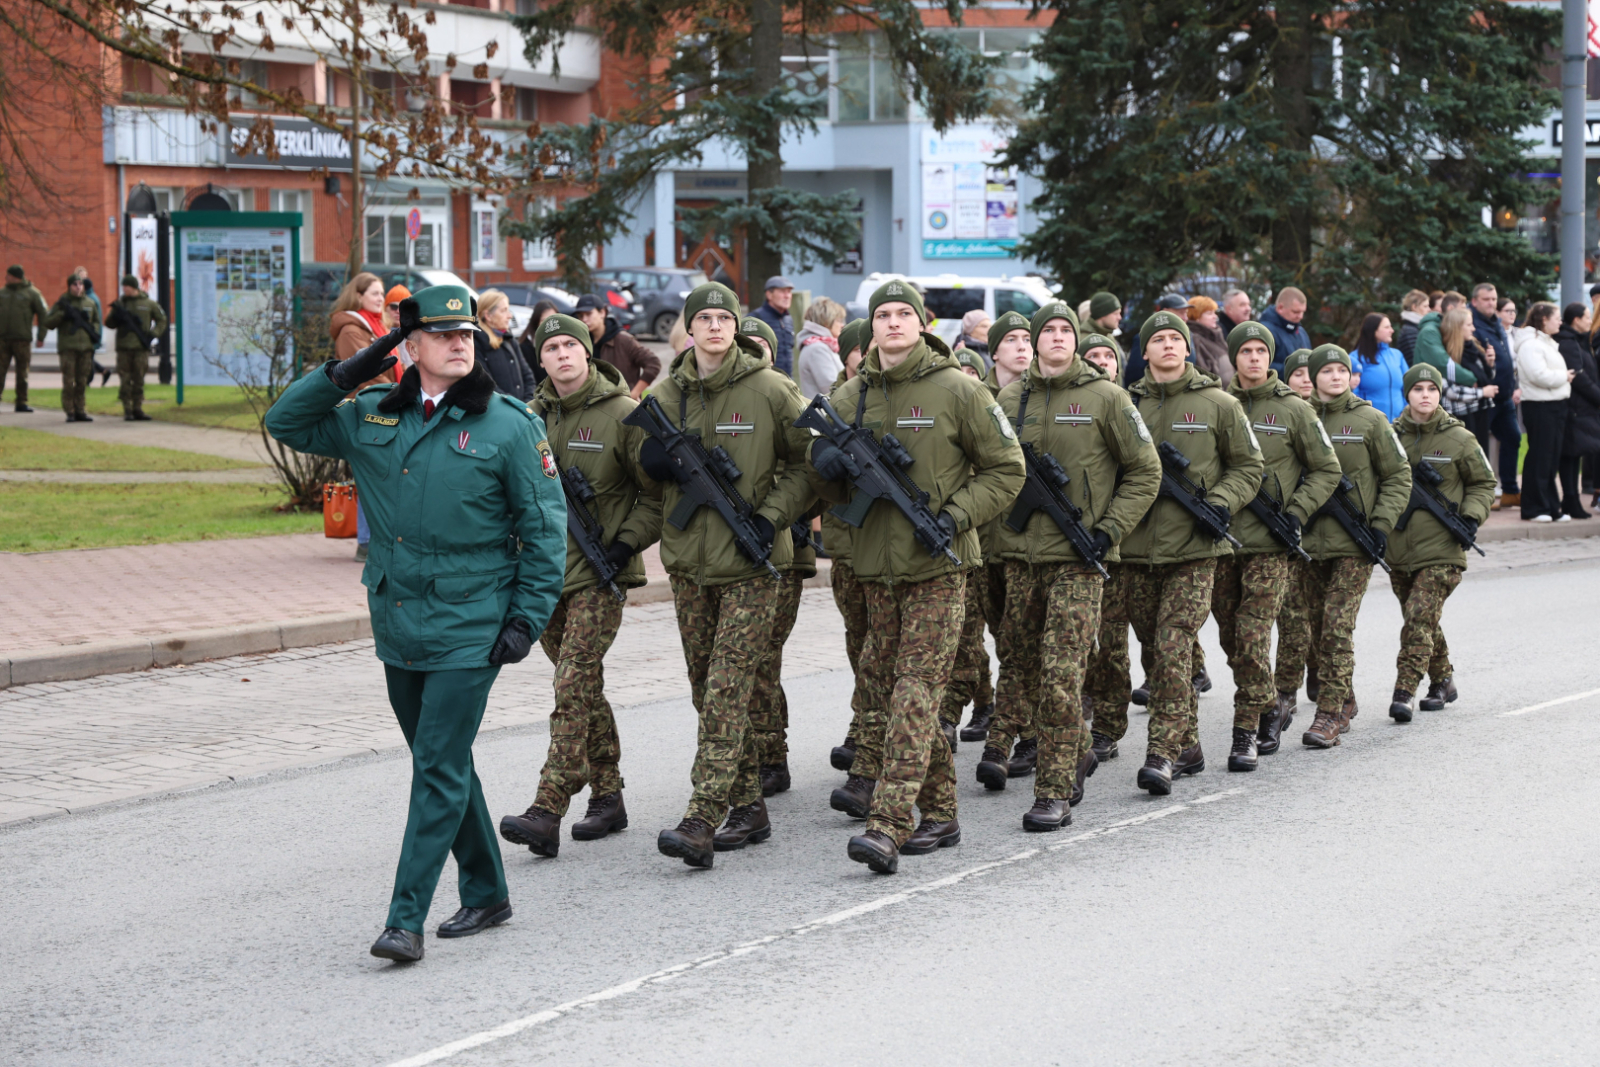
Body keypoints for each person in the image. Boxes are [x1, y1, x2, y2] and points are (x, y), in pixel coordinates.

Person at [264, 284, 566, 963]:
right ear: (410, 345)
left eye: (468, 333)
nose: (462, 343)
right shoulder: (372, 413)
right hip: (400, 620)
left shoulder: (509, 425)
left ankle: (406, 919)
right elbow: (285, 423)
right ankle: (488, 888)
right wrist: (346, 371)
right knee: (445, 759)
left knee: (434, 765)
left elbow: (546, 532)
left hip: (473, 623)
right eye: (443, 334)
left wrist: (527, 618)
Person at [810, 278, 1024, 874]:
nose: (894, 323)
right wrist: (824, 469)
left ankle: (889, 822)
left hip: (938, 566)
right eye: (884, 315)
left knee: (915, 691)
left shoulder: (959, 388)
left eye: (905, 313)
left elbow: (1007, 469)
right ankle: (941, 813)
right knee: (885, 690)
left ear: (923, 322)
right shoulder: (849, 396)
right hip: (876, 570)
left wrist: (954, 517)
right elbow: (825, 483)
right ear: (870, 325)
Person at [644, 282, 816, 869]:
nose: (715, 327)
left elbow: (808, 463)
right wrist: (653, 461)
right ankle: (748, 804)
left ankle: (703, 815)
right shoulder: (666, 394)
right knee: (704, 686)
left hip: (752, 562)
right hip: (690, 563)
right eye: (705, 319)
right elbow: (640, 472)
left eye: (724, 318)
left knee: (727, 686)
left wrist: (772, 518)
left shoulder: (771, 388)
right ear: (688, 329)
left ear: (737, 326)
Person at [990, 300, 1159, 828]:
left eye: (1067, 330)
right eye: (1048, 331)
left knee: (1063, 672)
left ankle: (1053, 789)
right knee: (1028, 668)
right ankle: (1078, 747)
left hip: (1079, 558)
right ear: (1033, 341)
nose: (1058, 338)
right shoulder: (1009, 397)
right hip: (1019, 558)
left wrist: (1109, 529)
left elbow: (1145, 471)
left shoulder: (1107, 398)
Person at [498, 313, 662, 856]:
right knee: (583, 688)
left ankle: (547, 807)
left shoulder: (625, 414)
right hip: (543, 578)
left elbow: (657, 495)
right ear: (539, 359)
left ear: (588, 354)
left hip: (599, 572)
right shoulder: (525, 418)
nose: (563, 354)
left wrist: (624, 546)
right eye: (552, 348)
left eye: (572, 345)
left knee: (571, 683)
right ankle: (609, 796)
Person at [1120, 310, 1263, 794]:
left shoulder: (1218, 403)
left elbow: (1248, 466)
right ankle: (1188, 744)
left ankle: (1160, 752)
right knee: (1157, 654)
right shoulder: (1123, 404)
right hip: (1136, 549)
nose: (1166, 346)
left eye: (1173, 339)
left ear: (1187, 348)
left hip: (1196, 548)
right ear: (1144, 351)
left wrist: (1218, 504)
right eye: (1156, 339)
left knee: (1173, 643)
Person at [1215, 323, 1341, 768]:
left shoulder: (1294, 409)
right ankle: (1268, 701)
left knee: (1252, 632)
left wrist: (1296, 511)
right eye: (1245, 351)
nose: (1253, 358)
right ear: (1234, 357)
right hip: (1222, 539)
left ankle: (1246, 730)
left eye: (1260, 351)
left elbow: (1327, 469)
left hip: (1271, 542)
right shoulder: (1219, 404)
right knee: (1232, 638)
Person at [1299, 344, 1412, 747]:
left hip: (1354, 541)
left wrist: (1381, 524)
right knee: (1313, 630)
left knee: (1335, 625)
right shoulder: (1300, 417)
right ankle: (1344, 696)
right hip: (1307, 542)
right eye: (1326, 370)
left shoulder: (1370, 419)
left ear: (1351, 376)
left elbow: (1399, 475)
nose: (1334, 376)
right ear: (1312, 377)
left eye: (1341, 370)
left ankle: (1329, 715)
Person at [1384, 363, 1495, 723]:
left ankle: (1405, 691)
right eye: (1418, 389)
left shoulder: (1459, 438)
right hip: (1399, 548)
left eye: (1432, 389)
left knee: (1418, 617)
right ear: (1408, 395)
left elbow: (1483, 483)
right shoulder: (1389, 436)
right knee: (1422, 617)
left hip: (1443, 547)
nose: (1426, 395)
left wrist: (1472, 516)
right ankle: (1443, 680)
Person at [951, 311, 1035, 763]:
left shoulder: (1044, 397)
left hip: (1027, 545)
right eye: (1012, 340)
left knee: (1020, 641)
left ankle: (1017, 732)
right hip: (982, 540)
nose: (1022, 347)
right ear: (994, 350)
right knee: (983, 639)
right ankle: (995, 714)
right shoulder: (975, 397)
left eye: (1028, 339)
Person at [824, 319, 874, 774]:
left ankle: (869, 730)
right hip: (845, 546)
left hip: (887, 548)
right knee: (860, 641)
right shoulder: (834, 405)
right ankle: (865, 720)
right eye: (861, 349)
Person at [1269, 347, 1324, 731]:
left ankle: (1323, 675)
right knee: (1291, 614)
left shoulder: (1336, 416)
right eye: (1298, 373)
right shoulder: (1278, 416)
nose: (1306, 379)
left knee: (1322, 615)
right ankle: (1285, 689)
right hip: (1284, 530)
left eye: (1312, 373)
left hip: (1326, 533)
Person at [1513, 301, 1572, 523]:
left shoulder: (1546, 342)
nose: (1560, 321)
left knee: (1551, 458)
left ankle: (1550, 506)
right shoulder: (1530, 344)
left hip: (1554, 404)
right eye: (1556, 317)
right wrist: (1564, 377)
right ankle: (1533, 508)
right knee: (1540, 457)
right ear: (1544, 319)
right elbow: (1539, 375)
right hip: (1540, 406)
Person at [1472, 283, 1522, 509]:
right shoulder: (1472, 323)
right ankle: (1484, 493)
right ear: (1475, 301)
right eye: (1486, 299)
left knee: (1513, 437)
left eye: (1494, 299)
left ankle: (1510, 490)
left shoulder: (1495, 323)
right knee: (1479, 446)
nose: (1491, 303)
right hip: (1485, 395)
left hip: (1504, 396)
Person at [1437, 306, 1498, 472]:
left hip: (1480, 411)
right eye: (1469, 325)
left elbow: (1487, 378)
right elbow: (1450, 391)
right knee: (1464, 462)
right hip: (1461, 415)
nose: (1473, 328)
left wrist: (1490, 363)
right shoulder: (1446, 356)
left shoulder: (1474, 348)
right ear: (1457, 327)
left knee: (1479, 459)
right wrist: (1482, 393)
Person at [1556, 302, 1600, 519]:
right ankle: (1570, 499)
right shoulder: (1569, 343)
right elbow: (1579, 377)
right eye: (1586, 317)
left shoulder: (1579, 341)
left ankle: (1571, 499)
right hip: (1574, 407)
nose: (1590, 321)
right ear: (1576, 319)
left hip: (1581, 407)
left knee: (1575, 454)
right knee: (1570, 454)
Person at [106, 274, 168, 421]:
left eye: (126, 286)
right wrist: (116, 317)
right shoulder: (120, 304)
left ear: (133, 287)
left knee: (139, 379)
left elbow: (162, 319)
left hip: (141, 348)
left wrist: (154, 334)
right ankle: (127, 410)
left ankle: (137, 408)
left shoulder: (148, 303)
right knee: (125, 379)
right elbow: (109, 323)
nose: (124, 289)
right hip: (124, 348)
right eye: (123, 286)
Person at [575, 293, 660, 400]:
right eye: (580, 316)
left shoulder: (623, 340)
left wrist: (634, 394)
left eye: (588, 314)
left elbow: (653, 363)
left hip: (624, 407)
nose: (584, 319)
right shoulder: (583, 342)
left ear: (602, 312)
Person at [41, 275, 100, 422]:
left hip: (85, 348)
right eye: (74, 284)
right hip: (68, 348)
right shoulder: (62, 303)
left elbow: (97, 323)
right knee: (68, 381)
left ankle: (80, 410)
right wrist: (62, 315)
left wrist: (94, 336)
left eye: (80, 284)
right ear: (69, 286)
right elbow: (48, 322)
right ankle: (70, 411)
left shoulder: (90, 303)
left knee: (82, 381)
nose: (78, 287)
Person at [474, 289, 536, 402]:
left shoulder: (509, 340)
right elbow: (487, 385)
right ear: (488, 315)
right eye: (504, 311)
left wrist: (528, 403)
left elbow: (528, 376)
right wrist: (514, 406)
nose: (509, 316)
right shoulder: (477, 343)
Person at [0, 264, 46, 412]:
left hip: (23, 340)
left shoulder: (32, 293)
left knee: (22, 373)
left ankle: (21, 402)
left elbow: (44, 314)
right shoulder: (2, 293)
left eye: (8, 276)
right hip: (3, 339)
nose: (5, 278)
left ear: (15, 278)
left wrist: (41, 336)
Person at [1351, 312, 1408, 419]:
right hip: (1370, 424)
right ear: (1373, 330)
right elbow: (1352, 393)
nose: (1392, 330)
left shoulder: (1397, 355)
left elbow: (1409, 386)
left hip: (1399, 424)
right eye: (1387, 327)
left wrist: (1407, 410)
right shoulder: (1355, 358)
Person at [1412, 291, 1473, 387]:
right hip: (1429, 395)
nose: (1465, 313)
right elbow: (1442, 363)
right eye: (1462, 309)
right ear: (1450, 309)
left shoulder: (1446, 328)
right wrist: (1471, 379)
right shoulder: (1430, 332)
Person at [796, 296, 847, 398]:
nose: (842, 325)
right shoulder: (817, 349)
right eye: (838, 320)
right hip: (825, 412)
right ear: (826, 321)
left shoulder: (821, 345)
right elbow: (832, 387)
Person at [749, 275, 796, 376]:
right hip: (765, 380)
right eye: (782, 292)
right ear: (769, 295)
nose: (787, 296)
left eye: (789, 292)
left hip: (787, 380)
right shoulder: (756, 318)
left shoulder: (788, 319)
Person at [1259, 286, 1311, 373]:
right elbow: (1260, 366)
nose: (1300, 316)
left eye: (1303, 312)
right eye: (1295, 312)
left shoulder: (1301, 332)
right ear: (1280, 308)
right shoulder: (1265, 332)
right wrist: (1295, 370)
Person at [1186, 295, 1233, 386]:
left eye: (1214, 313)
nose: (1215, 317)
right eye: (1209, 313)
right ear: (1196, 316)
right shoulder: (1196, 340)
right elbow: (1203, 376)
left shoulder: (1216, 336)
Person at [517, 299, 560, 387]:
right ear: (536, 322)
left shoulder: (562, 342)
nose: (550, 325)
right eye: (545, 320)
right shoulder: (525, 347)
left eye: (554, 319)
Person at [1395, 290, 1429, 364]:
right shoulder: (1409, 331)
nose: (1428, 310)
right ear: (1414, 307)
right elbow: (1416, 360)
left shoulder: (1416, 327)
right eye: (1425, 306)